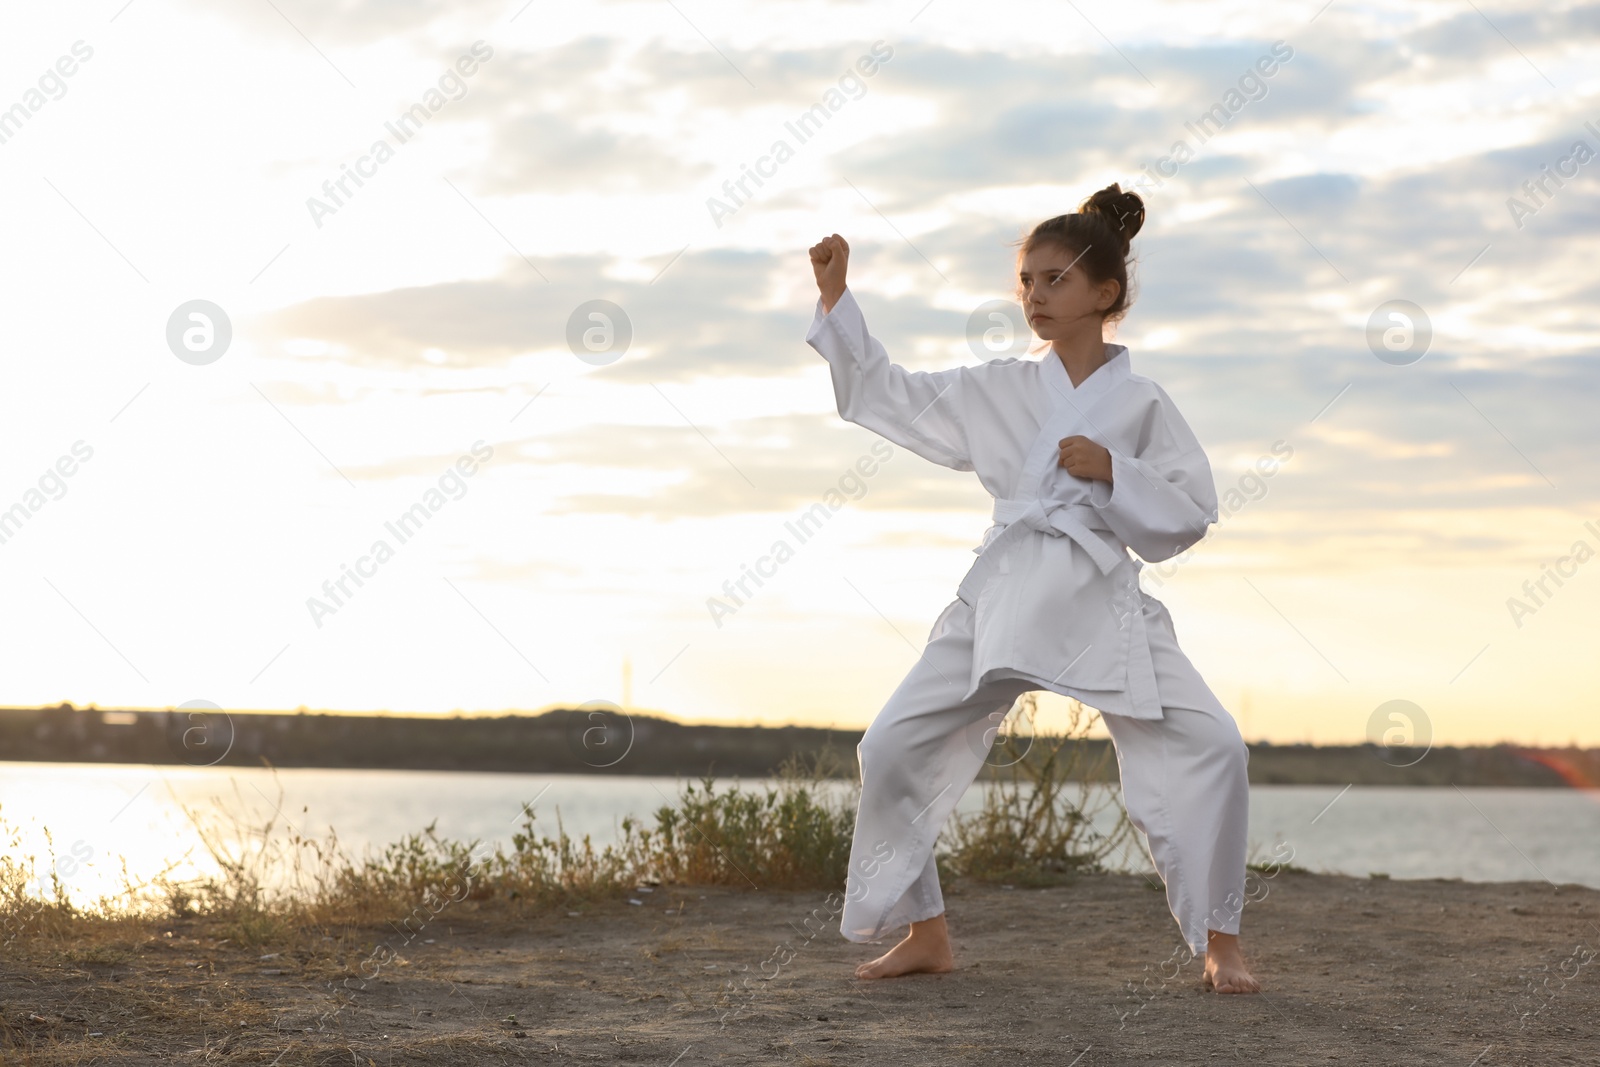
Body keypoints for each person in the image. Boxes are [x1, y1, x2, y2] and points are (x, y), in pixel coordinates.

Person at [804, 184, 1259, 993]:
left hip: (1098, 595)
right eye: (1027, 281)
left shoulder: (1143, 401)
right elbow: (890, 395)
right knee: (891, 745)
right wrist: (837, 300)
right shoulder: (1000, 389)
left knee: (1217, 744)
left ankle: (1221, 937)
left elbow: (1192, 510)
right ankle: (927, 930)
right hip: (1006, 591)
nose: (1034, 297)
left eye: (1055, 280)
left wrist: (1115, 471)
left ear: (1105, 294)